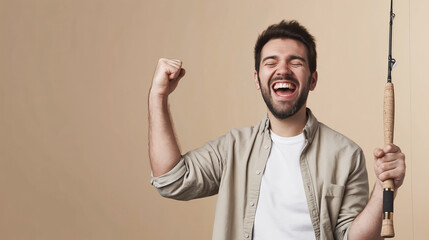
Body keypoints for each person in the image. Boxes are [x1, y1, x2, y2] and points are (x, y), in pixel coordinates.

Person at [148, 20, 406, 240]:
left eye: (295, 62)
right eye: (271, 62)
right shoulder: (232, 149)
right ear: (257, 79)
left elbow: (353, 236)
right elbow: (172, 180)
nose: (282, 70)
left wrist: (383, 189)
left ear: (312, 80)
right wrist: (158, 96)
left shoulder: (347, 154)